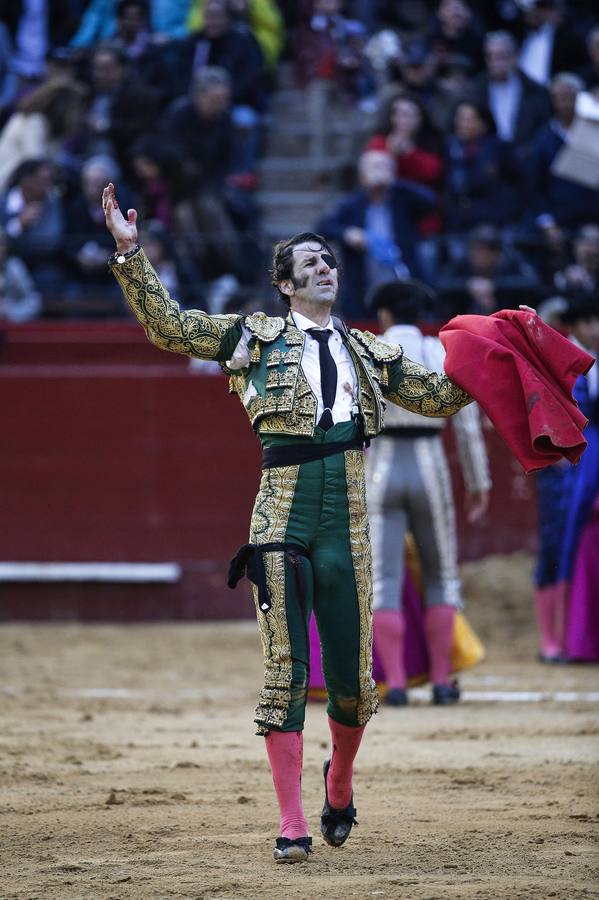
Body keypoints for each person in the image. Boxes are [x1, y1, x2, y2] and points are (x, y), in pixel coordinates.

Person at [102, 180, 473, 862]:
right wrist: (132, 256)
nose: (323, 267)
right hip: (280, 512)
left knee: (355, 686)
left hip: (349, 518)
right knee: (284, 672)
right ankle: (291, 822)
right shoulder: (253, 336)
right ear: (283, 284)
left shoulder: (369, 351)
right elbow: (170, 328)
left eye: (328, 260)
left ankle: (339, 779)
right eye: (308, 263)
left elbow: (443, 397)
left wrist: (503, 345)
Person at [366, 280, 491, 706]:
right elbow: (469, 426)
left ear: (383, 314)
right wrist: (479, 482)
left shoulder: (367, 351)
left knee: (382, 580)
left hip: (379, 466)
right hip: (429, 464)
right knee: (441, 575)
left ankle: (396, 684)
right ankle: (440, 681)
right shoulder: (439, 352)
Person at [533, 298, 599, 663]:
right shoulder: (563, 365)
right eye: (591, 322)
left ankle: (580, 637)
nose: (596, 329)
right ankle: (551, 639)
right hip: (566, 469)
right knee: (556, 546)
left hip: (588, 464)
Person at [317, 149, 435, 318]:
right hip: (364, 286)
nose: (379, 172)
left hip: (402, 281)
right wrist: (347, 233)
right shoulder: (352, 204)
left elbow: (429, 201)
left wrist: (395, 182)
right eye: (374, 167)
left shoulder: (403, 199)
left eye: (384, 167)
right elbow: (324, 227)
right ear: (362, 175)